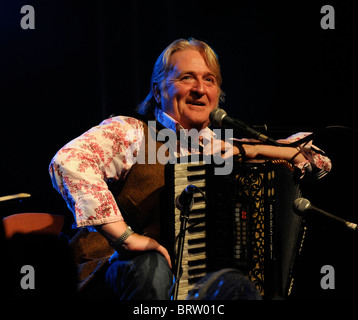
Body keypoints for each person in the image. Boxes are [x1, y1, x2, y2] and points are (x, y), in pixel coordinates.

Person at [49, 38, 331, 299]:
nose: (199, 89)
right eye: (186, 78)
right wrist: (126, 238)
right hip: (117, 270)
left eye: (209, 80)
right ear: (158, 91)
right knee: (151, 266)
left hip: (196, 285)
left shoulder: (221, 148)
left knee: (237, 284)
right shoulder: (132, 132)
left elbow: (316, 162)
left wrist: (253, 149)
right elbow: (69, 162)